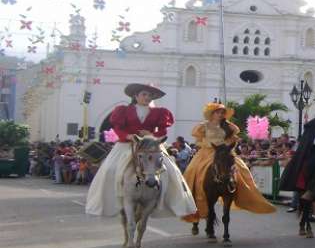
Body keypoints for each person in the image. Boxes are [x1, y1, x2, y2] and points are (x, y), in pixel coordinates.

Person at [85, 83, 197, 218]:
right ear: (135, 96)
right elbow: (117, 128)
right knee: (110, 169)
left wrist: (151, 134)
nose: (147, 97)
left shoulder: (158, 112)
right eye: (144, 94)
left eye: (150, 95)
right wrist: (128, 135)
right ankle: (114, 200)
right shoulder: (123, 110)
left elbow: (162, 131)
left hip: (150, 145)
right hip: (127, 144)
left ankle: (168, 201)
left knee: (170, 170)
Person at [182, 102, 275, 224]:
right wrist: (208, 144)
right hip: (207, 152)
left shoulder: (228, 127)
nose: (220, 115)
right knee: (192, 170)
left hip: (223, 152)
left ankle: (244, 192)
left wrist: (229, 146)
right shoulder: (203, 126)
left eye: (222, 113)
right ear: (212, 113)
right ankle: (193, 196)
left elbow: (232, 140)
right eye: (218, 112)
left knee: (242, 169)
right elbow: (199, 140)